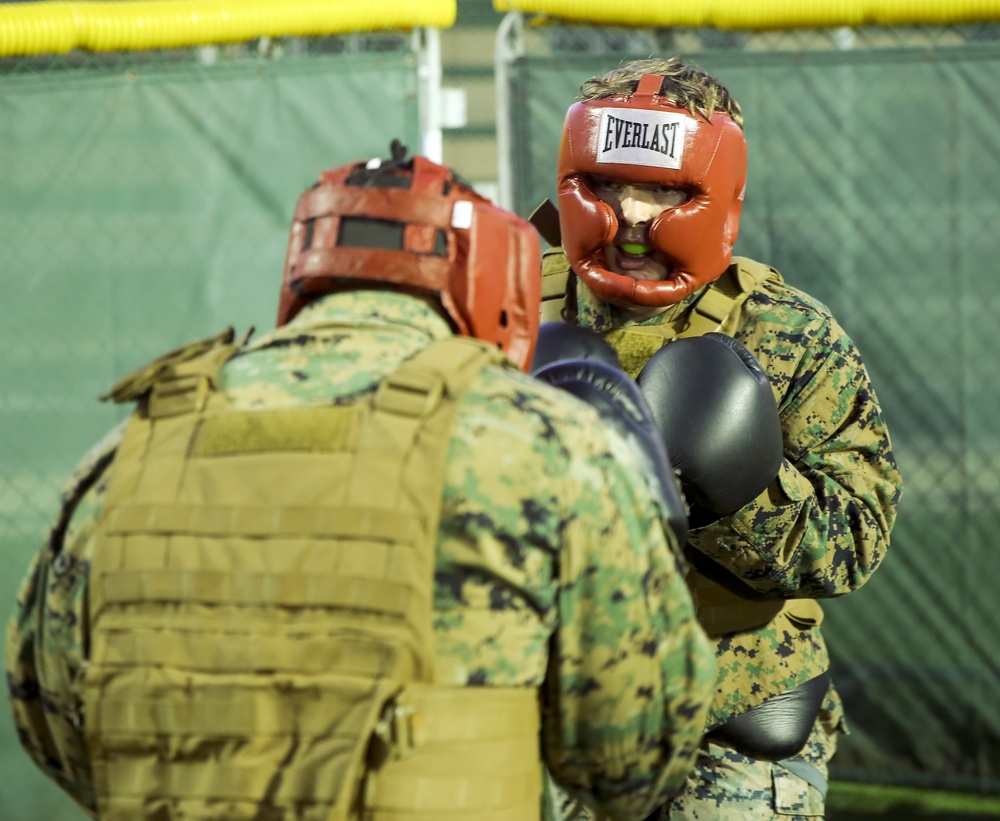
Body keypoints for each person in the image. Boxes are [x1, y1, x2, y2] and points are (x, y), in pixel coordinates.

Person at [6, 143, 718, 821]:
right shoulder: (546, 448)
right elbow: (637, 758)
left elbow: (53, 724)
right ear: (491, 281)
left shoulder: (134, 445)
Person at [534, 58, 904, 819]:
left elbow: (858, 535)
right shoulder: (509, 305)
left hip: (726, 715)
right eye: (606, 184)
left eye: (661, 188)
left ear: (716, 193)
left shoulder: (789, 332)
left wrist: (727, 490)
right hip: (550, 705)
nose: (630, 211)